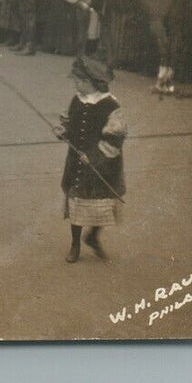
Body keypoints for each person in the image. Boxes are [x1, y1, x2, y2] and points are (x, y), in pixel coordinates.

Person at [56, 57, 127, 263]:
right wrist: (64, 131)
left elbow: (115, 138)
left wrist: (95, 157)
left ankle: (93, 237)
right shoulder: (77, 99)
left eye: (77, 81)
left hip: (103, 165)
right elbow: (70, 123)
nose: (75, 85)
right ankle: (75, 243)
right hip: (77, 162)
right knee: (76, 202)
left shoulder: (111, 105)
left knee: (103, 204)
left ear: (89, 82)